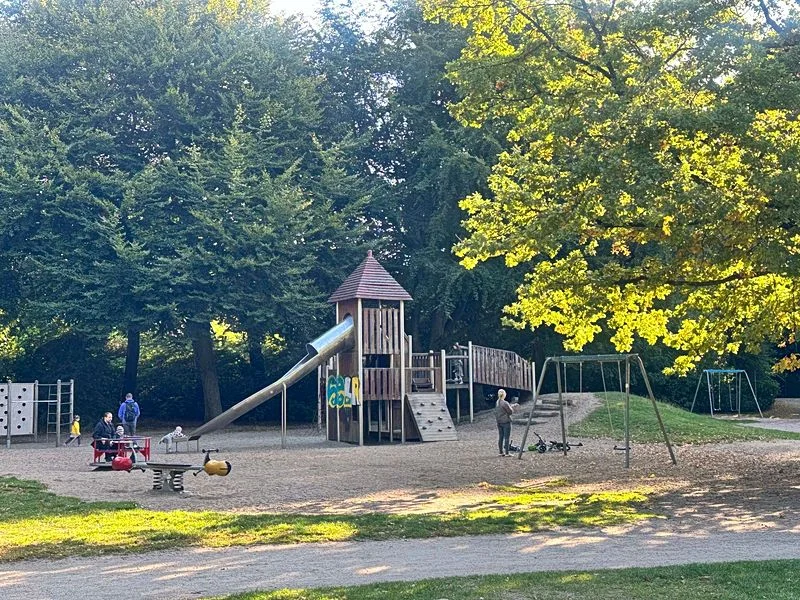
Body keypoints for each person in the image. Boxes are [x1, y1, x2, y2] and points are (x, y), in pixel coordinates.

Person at [495, 389, 519, 456]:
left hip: (499, 421)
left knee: (501, 437)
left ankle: (500, 452)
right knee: (507, 437)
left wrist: (511, 406)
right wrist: (512, 408)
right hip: (506, 421)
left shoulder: (497, 403)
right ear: (504, 394)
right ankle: (507, 453)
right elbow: (510, 412)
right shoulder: (504, 403)